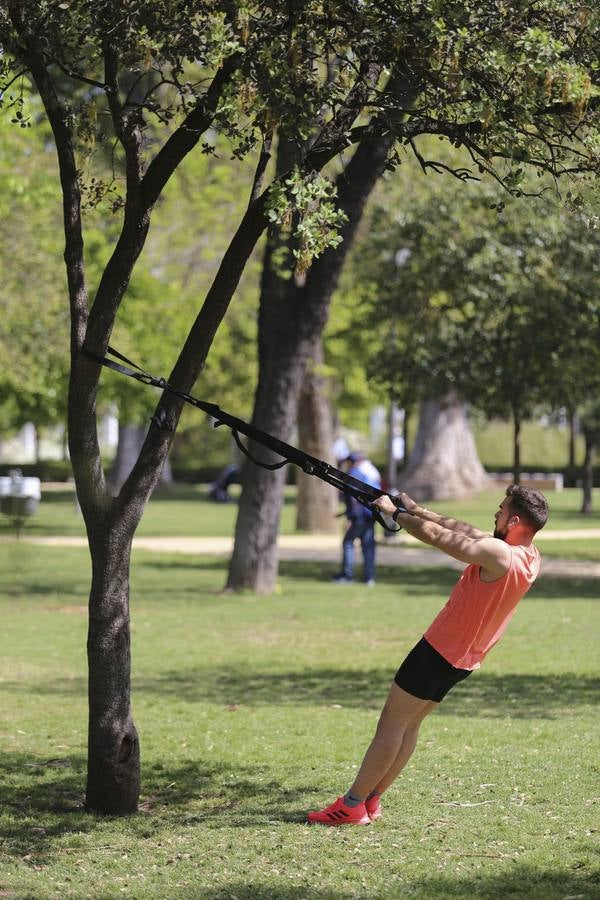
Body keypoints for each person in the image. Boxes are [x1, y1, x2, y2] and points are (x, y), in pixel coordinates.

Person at [309, 483, 548, 826]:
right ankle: (371, 800)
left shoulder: (500, 555)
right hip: (462, 658)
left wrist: (398, 517)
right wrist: (418, 510)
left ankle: (351, 805)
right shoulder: (527, 554)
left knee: (392, 723)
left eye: (501, 509)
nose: (495, 513)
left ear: (513, 521)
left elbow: (446, 540)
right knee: (409, 725)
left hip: (438, 650)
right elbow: (464, 530)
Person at [332, 451, 382, 587]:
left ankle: (347, 575)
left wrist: (350, 518)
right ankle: (369, 578)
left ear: (350, 462)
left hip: (358, 517)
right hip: (370, 516)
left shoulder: (352, 476)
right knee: (368, 547)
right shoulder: (365, 475)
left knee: (348, 543)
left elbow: (354, 500)